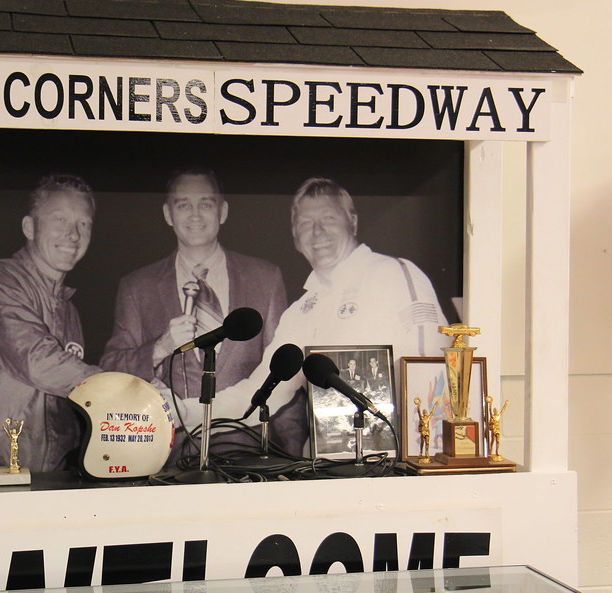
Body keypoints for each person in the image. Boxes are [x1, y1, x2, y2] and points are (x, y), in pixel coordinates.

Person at [200, 177, 449, 453]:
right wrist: (180, 413)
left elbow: (432, 372)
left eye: (329, 218)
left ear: (352, 221)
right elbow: (257, 393)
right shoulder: (301, 310)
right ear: (295, 238)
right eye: (306, 224)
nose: (317, 231)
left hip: (393, 462)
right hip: (325, 467)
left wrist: (420, 458)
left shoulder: (393, 274)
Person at [100, 167, 289, 456]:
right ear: (167, 214)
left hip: (250, 451)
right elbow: (111, 369)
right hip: (168, 454)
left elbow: (284, 371)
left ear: (222, 211)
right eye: (183, 205)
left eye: (206, 204)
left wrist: (294, 452)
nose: (195, 215)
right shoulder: (136, 287)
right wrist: (159, 347)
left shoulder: (266, 278)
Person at [0, 174, 102, 473]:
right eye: (60, 220)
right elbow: (37, 361)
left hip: (48, 475)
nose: (74, 234)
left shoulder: (69, 309)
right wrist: (121, 387)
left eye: (84, 223)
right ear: (29, 227)